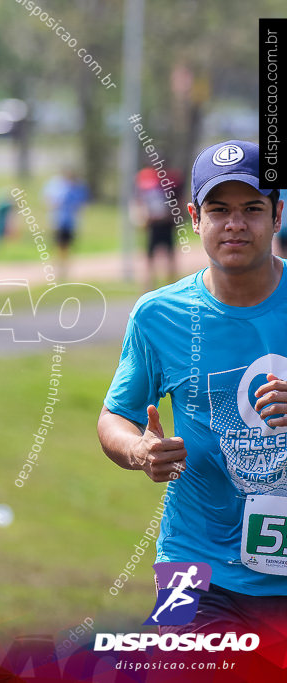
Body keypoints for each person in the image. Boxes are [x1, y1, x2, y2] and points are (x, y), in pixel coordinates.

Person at [98, 139, 287, 634]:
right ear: (194, 218)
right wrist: (139, 449)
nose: (235, 224)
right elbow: (114, 416)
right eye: (219, 210)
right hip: (192, 560)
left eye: (252, 209)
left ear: (278, 215)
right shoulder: (159, 315)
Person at [133, 165, 182, 289]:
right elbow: (139, 200)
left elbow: (178, 201)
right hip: (153, 224)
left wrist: (174, 216)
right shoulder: (147, 180)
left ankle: (172, 286)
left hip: (167, 224)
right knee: (150, 258)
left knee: (170, 257)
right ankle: (148, 286)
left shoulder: (172, 181)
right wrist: (142, 217)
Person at [43, 167, 89, 279]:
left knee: (67, 246)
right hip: (57, 220)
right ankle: (57, 267)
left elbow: (82, 202)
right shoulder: (56, 185)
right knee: (57, 245)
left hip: (70, 221)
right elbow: (48, 199)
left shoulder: (77, 187)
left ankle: (63, 268)